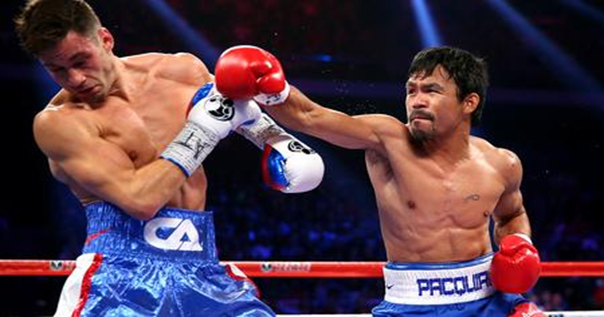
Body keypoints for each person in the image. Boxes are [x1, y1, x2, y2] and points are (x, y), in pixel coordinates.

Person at [14, 1, 324, 316]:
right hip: (118, 282)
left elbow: (237, 112)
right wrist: (202, 131)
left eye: (81, 60)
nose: (76, 78)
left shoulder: (181, 71)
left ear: (105, 39)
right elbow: (141, 200)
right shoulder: (59, 122)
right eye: (57, 69)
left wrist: (278, 142)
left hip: (202, 270)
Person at [214, 45, 545, 317]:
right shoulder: (389, 140)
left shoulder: (502, 163)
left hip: (491, 302)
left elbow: (512, 215)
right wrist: (275, 91)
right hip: (414, 305)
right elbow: (310, 117)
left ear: (469, 102)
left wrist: (521, 244)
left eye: (431, 91)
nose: (417, 100)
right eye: (411, 90)